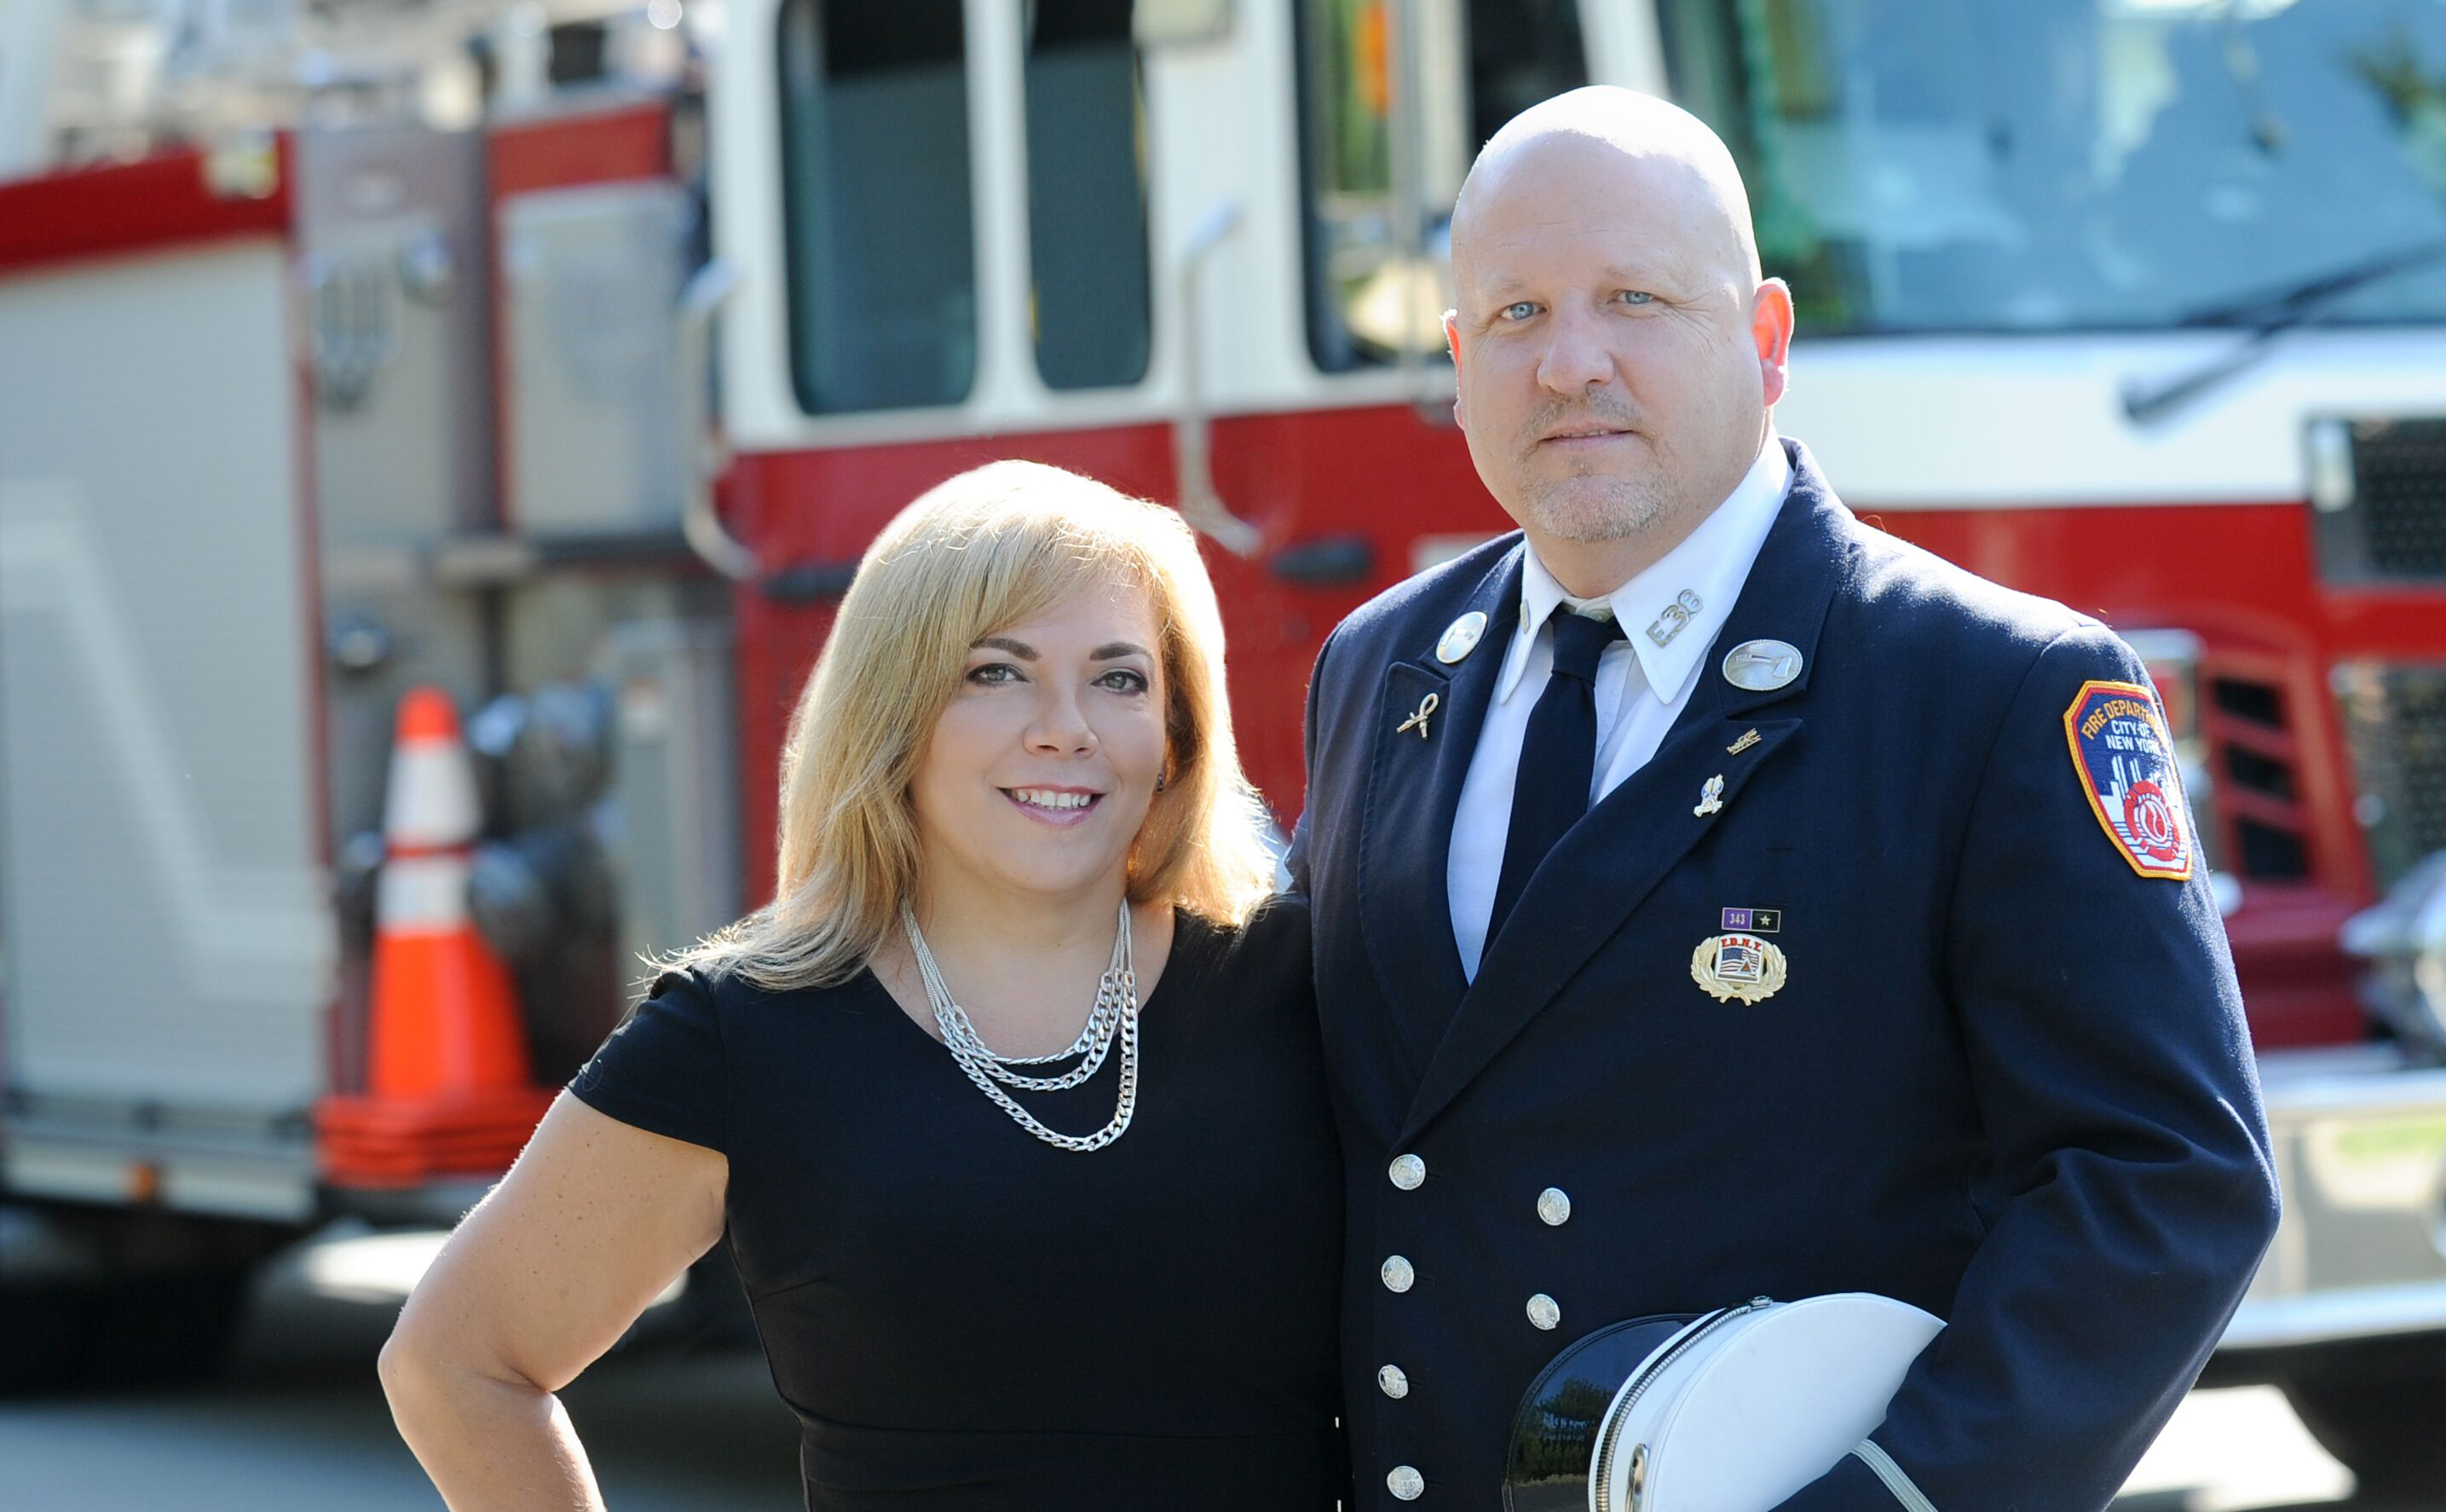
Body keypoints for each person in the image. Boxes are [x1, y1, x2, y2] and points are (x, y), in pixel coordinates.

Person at [1289, 87, 2280, 1511]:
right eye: (1515, 316)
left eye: (1634, 299)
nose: (1570, 365)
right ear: (1455, 363)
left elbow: (2162, 1180)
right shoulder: (1376, 669)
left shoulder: (1988, 689)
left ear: (1764, 341)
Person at [380, 462, 1345, 1511]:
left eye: (1120, 679)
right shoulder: (742, 1032)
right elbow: (455, 1364)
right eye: (996, 672)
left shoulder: (1306, 980)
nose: (1066, 725)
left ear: (1176, 738)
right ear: (897, 714)